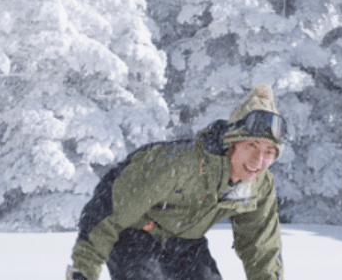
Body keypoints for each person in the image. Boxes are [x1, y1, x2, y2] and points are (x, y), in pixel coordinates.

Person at [66, 84, 286, 280]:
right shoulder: (180, 164)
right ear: (232, 142)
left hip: (184, 241)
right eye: (251, 146)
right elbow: (109, 210)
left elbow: (261, 246)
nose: (258, 161)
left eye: (269, 151)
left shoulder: (259, 185)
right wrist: (83, 270)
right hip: (134, 232)